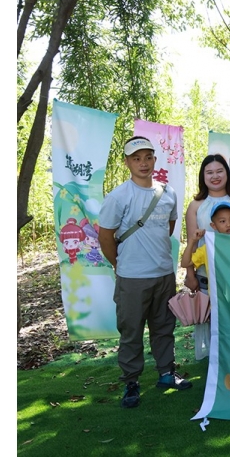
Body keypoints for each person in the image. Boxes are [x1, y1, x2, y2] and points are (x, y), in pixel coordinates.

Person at [98, 136, 191, 409]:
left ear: (155, 160)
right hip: (132, 277)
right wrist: (119, 264)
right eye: (136, 158)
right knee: (131, 331)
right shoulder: (118, 196)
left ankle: (166, 373)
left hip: (164, 273)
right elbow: (105, 237)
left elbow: (169, 227)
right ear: (127, 162)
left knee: (164, 327)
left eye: (148, 157)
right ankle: (131, 381)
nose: (143, 163)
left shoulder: (168, 192)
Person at [184, 154, 230, 360]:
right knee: (213, 321)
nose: (215, 176)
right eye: (209, 172)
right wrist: (190, 275)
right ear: (203, 176)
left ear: (227, 173)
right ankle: (216, 366)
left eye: (219, 171)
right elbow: (192, 242)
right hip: (207, 275)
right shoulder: (196, 205)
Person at [181, 202, 230, 280]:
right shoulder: (209, 248)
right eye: (222, 221)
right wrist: (192, 241)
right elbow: (185, 263)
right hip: (216, 288)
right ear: (213, 225)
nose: (228, 224)